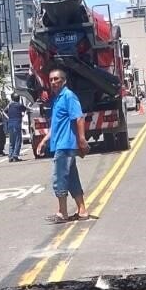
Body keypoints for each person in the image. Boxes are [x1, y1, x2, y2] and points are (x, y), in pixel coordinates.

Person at [33, 69, 88, 222]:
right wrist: (44, 141)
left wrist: (81, 140)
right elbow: (55, 126)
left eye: (56, 79)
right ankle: (82, 210)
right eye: (51, 80)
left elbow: (79, 118)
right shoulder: (57, 99)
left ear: (64, 80)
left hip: (66, 145)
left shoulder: (68, 96)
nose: (53, 82)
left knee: (59, 178)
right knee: (71, 179)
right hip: (60, 144)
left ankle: (62, 212)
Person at [5, 97, 25, 162]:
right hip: (17, 124)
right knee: (18, 140)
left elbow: (4, 111)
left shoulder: (9, 105)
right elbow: (25, 109)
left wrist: (8, 117)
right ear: (18, 99)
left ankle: (10, 156)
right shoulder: (19, 105)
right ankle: (15, 155)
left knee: (12, 141)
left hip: (10, 124)